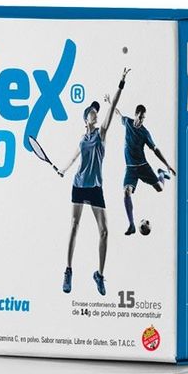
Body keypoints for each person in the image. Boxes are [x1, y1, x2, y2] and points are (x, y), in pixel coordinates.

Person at [57, 68, 130, 295]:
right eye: (91, 112)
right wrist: (63, 169)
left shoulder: (102, 134)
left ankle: (99, 275)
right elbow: (74, 157)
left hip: (96, 187)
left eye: (96, 112)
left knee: (104, 232)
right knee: (74, 226)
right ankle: (68, 271)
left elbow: (112, 106)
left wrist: (121, 83)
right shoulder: (82, 139)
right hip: (79, 185)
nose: (95, 114)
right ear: (85, 119)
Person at [103, 99, 176, 235]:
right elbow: (117, 113)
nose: (142, 120)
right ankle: (131, 225)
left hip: (143, 167)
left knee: (160, 188)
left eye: (144, 118)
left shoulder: (144, 133)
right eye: (141, 117)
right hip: (131, 168)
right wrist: (109, 102)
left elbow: (155, 150)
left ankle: (161, 174)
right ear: (136, 114)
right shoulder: (127, 122)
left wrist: (167, 165)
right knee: (126, 191)